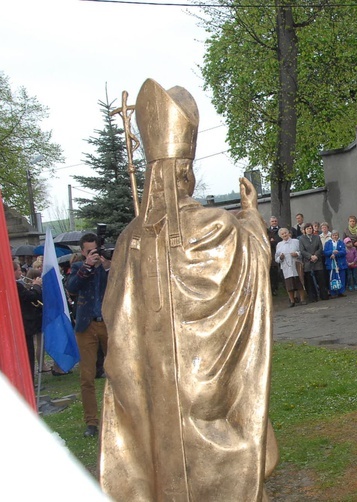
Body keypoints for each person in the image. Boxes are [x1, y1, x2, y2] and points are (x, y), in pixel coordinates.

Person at [99, 80, 276, 500]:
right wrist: (250, 213)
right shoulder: (216, 225)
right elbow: (254, 256)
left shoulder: (129, 239)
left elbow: (116, 323)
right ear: (185, 171)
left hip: (155, 389)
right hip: (203, 388)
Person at [65, 232, 110, 438]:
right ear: (83, 252)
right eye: (90, 251)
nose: (94, 254)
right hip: (86, 325)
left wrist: (104, 266)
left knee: (116, 372)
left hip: (108, 325)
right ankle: (91, 422)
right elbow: (72, 287)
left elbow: (116, 285)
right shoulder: (78, 267)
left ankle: (118, 417)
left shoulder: (104, 268)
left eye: (96, 250)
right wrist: (88, 266)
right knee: (87, 377)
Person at [15, 261, 43, 380]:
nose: (21, 272)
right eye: (19, 270)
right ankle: (29, 380)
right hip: (24, 324)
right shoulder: (17, 285)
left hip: (24, 323)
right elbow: (31, 297)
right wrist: (36, 285)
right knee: (28, 354)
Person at [298, 222, 329, 302]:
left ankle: (324, 295)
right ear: (305, 230)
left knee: (321, 279)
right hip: (308, 262)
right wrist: (310, 256)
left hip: (317, 261)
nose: (309, 230)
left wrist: (316, 255)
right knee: (310, 281)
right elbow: (302, 250)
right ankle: (313, 297)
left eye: (310, 228)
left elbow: (320, 248)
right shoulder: (301, 239)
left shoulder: (317, 237)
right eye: (307, 228)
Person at [276, 227, 307, 307]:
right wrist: (281, 258)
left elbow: (301, 251)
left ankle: (302, 299)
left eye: (285, 233)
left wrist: (297, 254)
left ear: (288, 233)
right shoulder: (279, 245)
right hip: (286, 267)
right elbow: (276, 258)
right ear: (280, 236)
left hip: (296, 265)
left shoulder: (296, 241)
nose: (284, 235)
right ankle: (292, 301)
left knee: (299, 283)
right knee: (289, 285)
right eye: (282, 234)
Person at [324, 230, 347, 298]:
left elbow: (343, 251)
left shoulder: (341, 243)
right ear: (331, 236)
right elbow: (325, 252)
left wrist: (337, 253)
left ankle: (341, 292)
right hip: (331, 264)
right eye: (333, 235)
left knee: (341, 278)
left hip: (340, 264)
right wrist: (332, 252)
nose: (335, 236)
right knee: (332, 278)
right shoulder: (327, 243)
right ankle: (333, 293)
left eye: (336, 235)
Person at [268, 216, 281, 295]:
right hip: (272, 253)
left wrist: (274, 242)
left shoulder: (281, 230)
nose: (274, 222)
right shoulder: (268, 231)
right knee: (274, 272)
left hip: (280, 251)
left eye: (275, 221)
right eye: (272, 221)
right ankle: (274, 288)